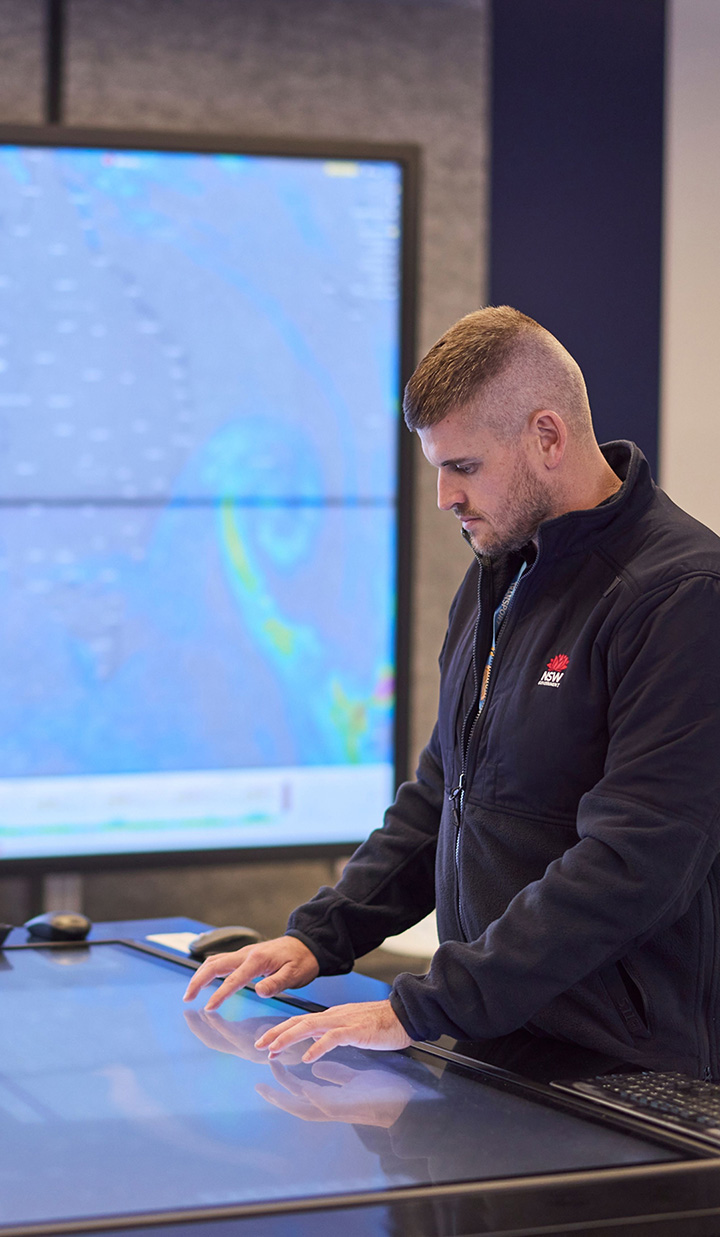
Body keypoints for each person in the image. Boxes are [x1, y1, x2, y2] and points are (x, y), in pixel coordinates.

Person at [184, 306, 720, 1078]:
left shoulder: (680, 595)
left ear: (547, 436)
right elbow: (445, 793)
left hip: (623, 1078)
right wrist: (318, 935)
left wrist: (420, 1006)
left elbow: (632, 862)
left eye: (463, 467)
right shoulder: (498, 575)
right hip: (496, 1047)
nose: (443, 497)